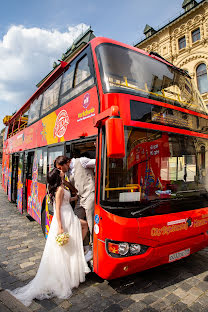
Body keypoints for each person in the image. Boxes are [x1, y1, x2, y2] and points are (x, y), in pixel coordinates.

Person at [8, 168, 90, 306]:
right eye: (60, 171)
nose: (62, 171)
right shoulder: (59, 190)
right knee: (84, 225)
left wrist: (76, 197)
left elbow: (67, 199)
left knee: (68, 245)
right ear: (58, 176)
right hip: (64, 217)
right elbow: (57, 208)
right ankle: (78, 249)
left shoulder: (61, 186)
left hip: (68, 214)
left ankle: (74, 258)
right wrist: (60, 226)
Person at [54, 155, 95, 260]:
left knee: (91, 224)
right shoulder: (67, 171)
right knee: (76, 221)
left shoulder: (82, 161)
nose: (60, 170)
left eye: (60, 168)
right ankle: (86, 246)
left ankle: (94, 249)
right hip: (80, 198)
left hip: (90, 195)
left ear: (66, 163)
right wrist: (64, 181)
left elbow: (99, 163)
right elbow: (74, 190)